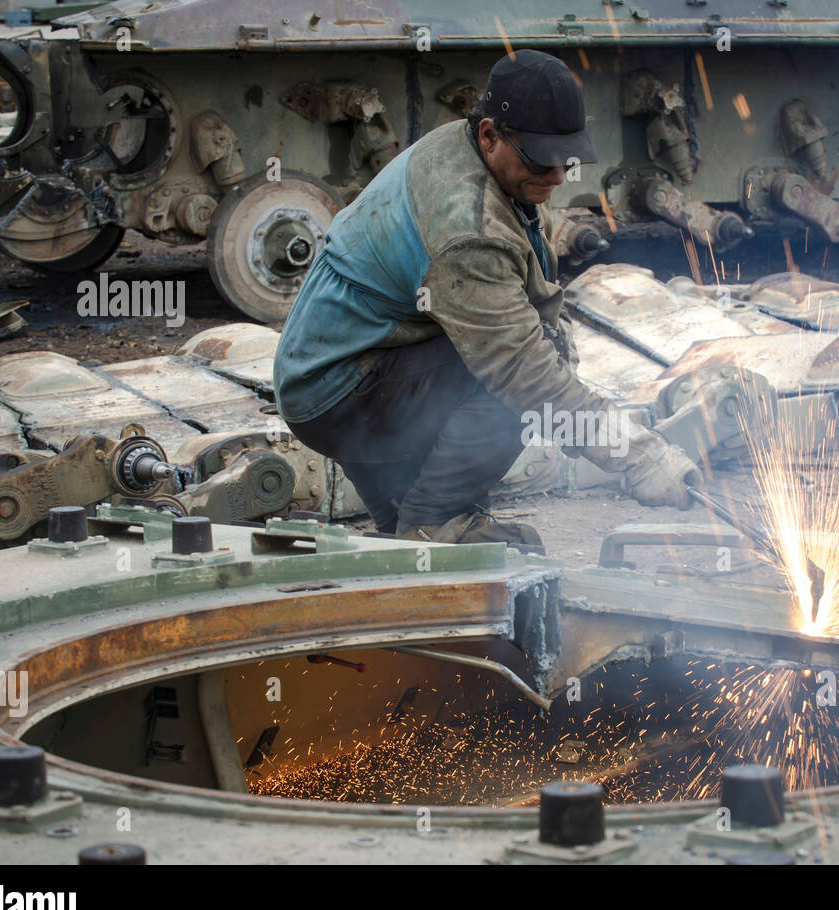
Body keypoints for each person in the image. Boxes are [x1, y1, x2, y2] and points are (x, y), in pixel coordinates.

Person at [272, 49, 698, 552]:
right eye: (542, 158)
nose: (560, 176)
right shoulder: (465, 228)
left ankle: (412, 524)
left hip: (337, 370)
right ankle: (437, 517)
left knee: (410, 543)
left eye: (567, 160)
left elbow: (525, 286)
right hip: (340, 391)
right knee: (525, 377)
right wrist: (638, 457)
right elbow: (524, 373)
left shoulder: (466, 146)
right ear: (491, 133)